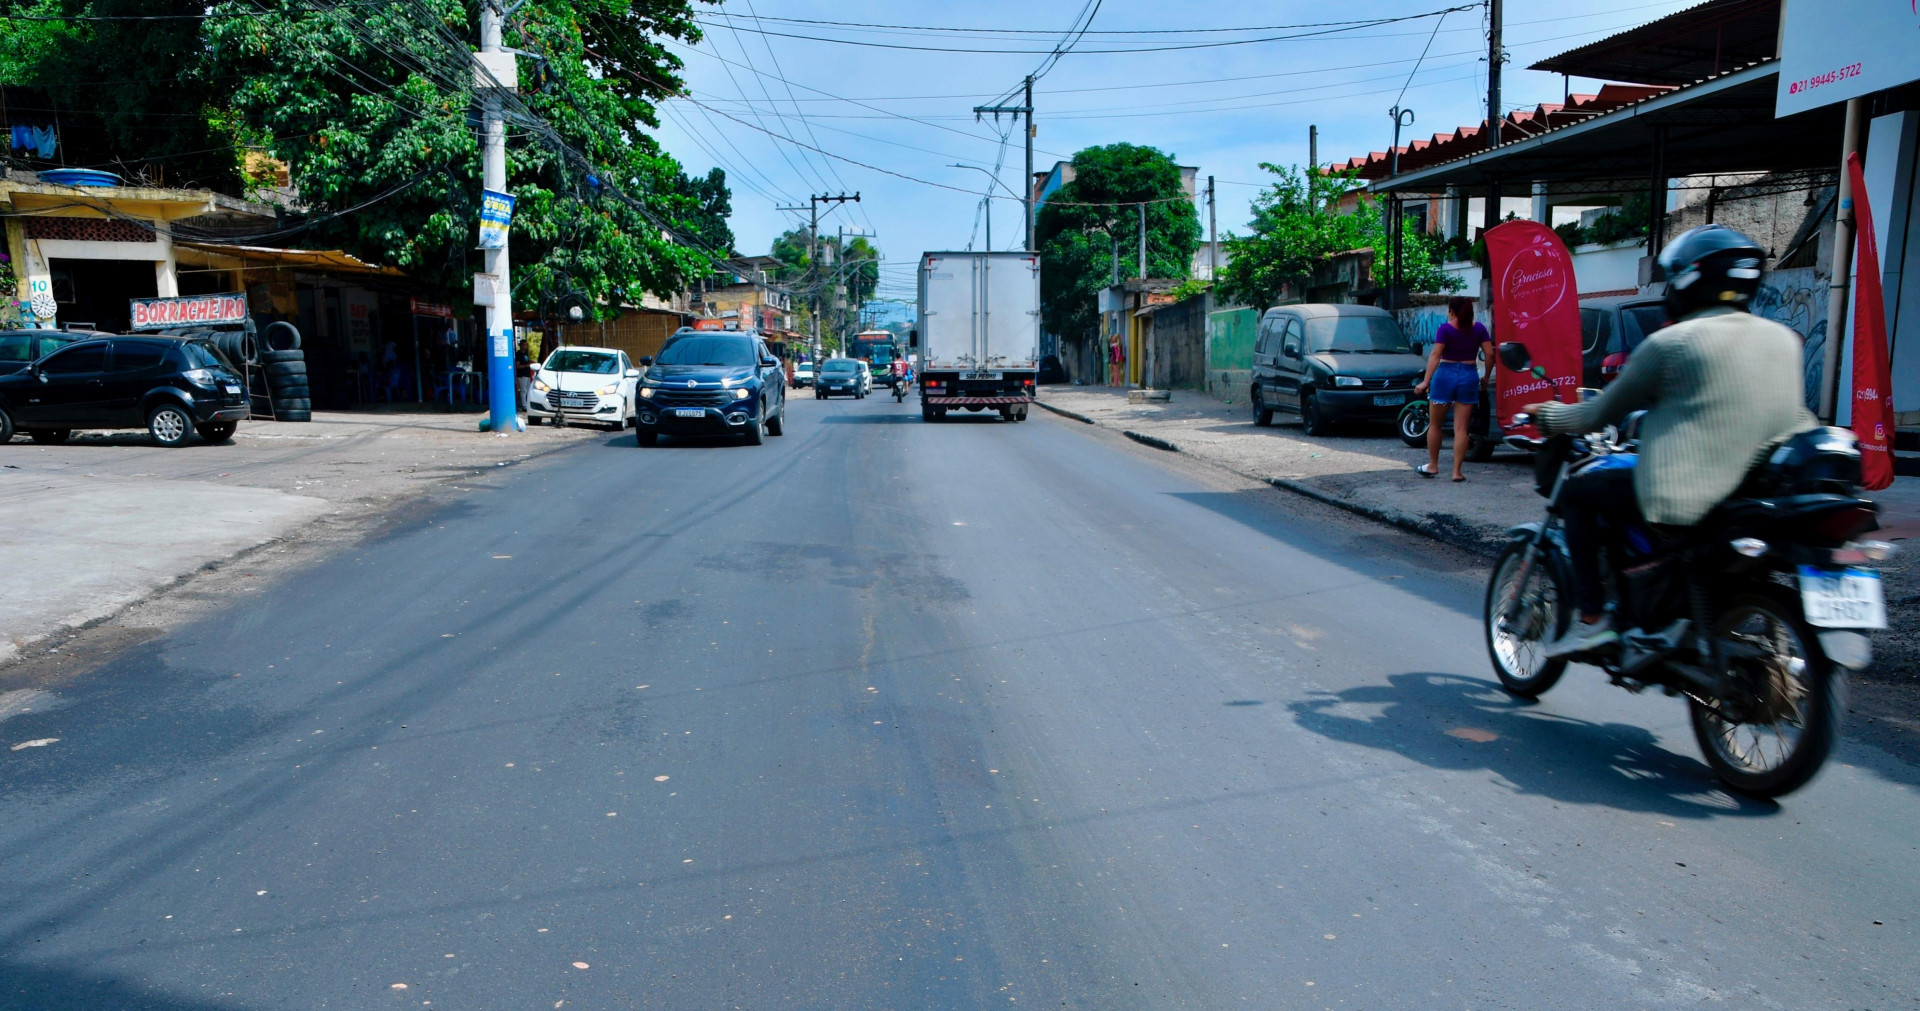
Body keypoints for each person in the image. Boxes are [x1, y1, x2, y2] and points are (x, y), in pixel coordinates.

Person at [1522, 224, 1817, 657]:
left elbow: (1596, 414)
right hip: (1754, 495)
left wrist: (1546, 416)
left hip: (1686, 497)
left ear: (1689, 280)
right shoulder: (1784, 340)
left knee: (1580, 492)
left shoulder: (1669, 343)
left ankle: (1592, 619)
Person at [1412, 296, 1493, 482]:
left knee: (1435, 425)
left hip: (1444, 376)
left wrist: (1425, 381)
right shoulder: (1479, 329)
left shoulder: (1445, 329)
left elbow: (1435, 355)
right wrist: (1486, 377)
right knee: (1461, 429)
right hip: (1468, 375)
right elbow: (1489, 354)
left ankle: (1433, 466)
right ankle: (1456, 472)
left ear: (1452, 311)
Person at [514, 339, 533, 412]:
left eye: (526, 345)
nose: (525, 346)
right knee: (523, 390)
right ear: (520, 345)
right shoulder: (518, 354)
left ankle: (527, 404)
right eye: (523, 345)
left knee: (528, 390)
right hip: (522, 375)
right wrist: (526, 365)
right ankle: (524, 406)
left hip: (527, 374)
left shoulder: (526, 354)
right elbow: (517, 366)